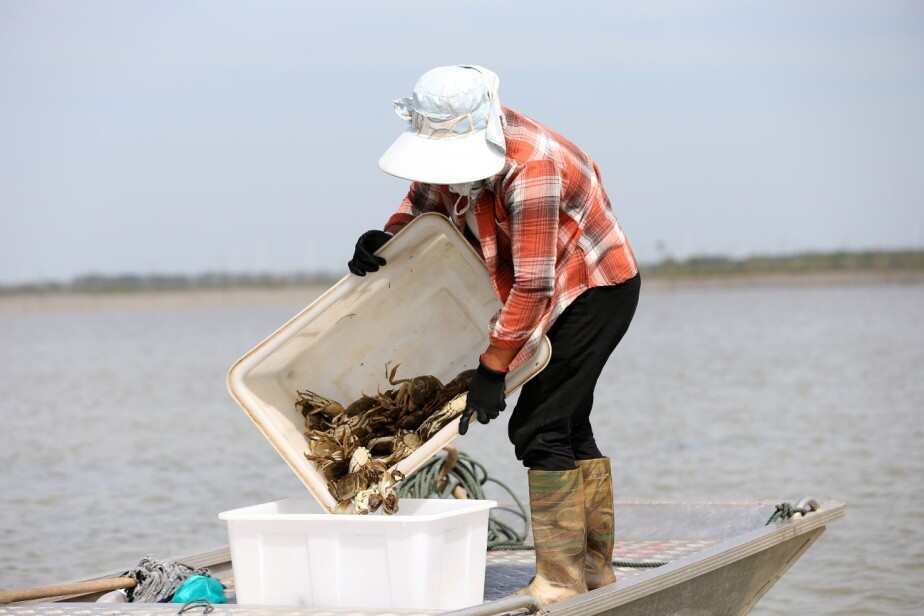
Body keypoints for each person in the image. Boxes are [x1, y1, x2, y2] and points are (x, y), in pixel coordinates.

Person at [348, 65, 640, 606]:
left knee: (539, 426)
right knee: (568, 423)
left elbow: (533, 284)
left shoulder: (533, 166)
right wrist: (383, 240)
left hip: (594, 287)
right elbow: (420, 208)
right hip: (546, 288)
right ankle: (595, 570)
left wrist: (491, 369)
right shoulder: (447, 158)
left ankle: (560, 580)